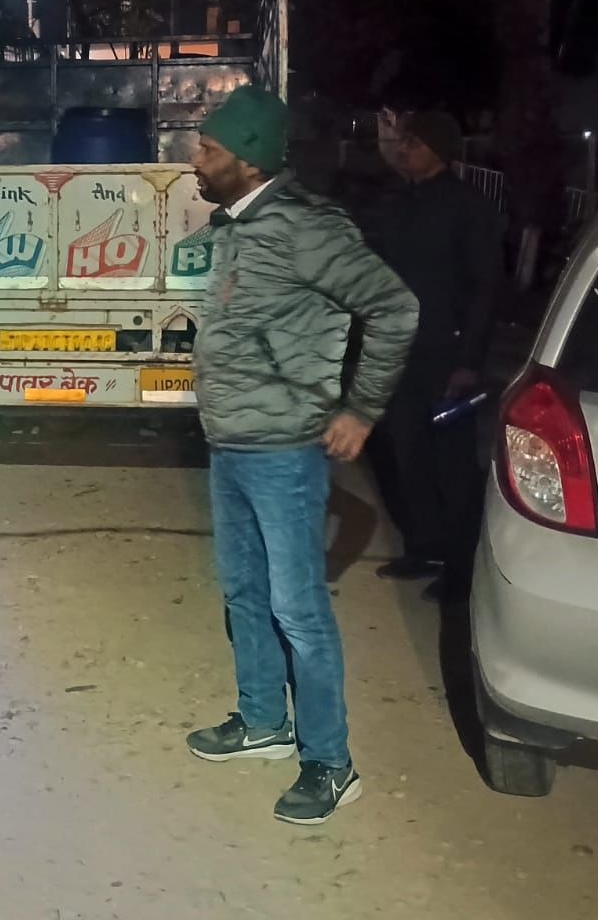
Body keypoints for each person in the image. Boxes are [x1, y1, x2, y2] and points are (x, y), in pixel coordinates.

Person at [185, 84, 418, 825]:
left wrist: (362, 410)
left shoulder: (307, 228)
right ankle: (263, 721)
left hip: (285, 450)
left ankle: (329, 762)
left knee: (298, 611)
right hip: (230, 443)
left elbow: (395, 308)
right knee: (243, 593)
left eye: (209, 149)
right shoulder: (236, 225)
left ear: (249, 160)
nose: (196, 159)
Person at [366, 108, 501, 603]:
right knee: (408, 454)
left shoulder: (467, 207)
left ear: (440, 151)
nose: (404, 150)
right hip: (401, 349)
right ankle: (424, 548)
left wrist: (469, 361)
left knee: (453, 466)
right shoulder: (399, 201)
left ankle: (461, 569)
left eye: (415, 143)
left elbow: (485, 287)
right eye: (404, 142)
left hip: (447, 355)